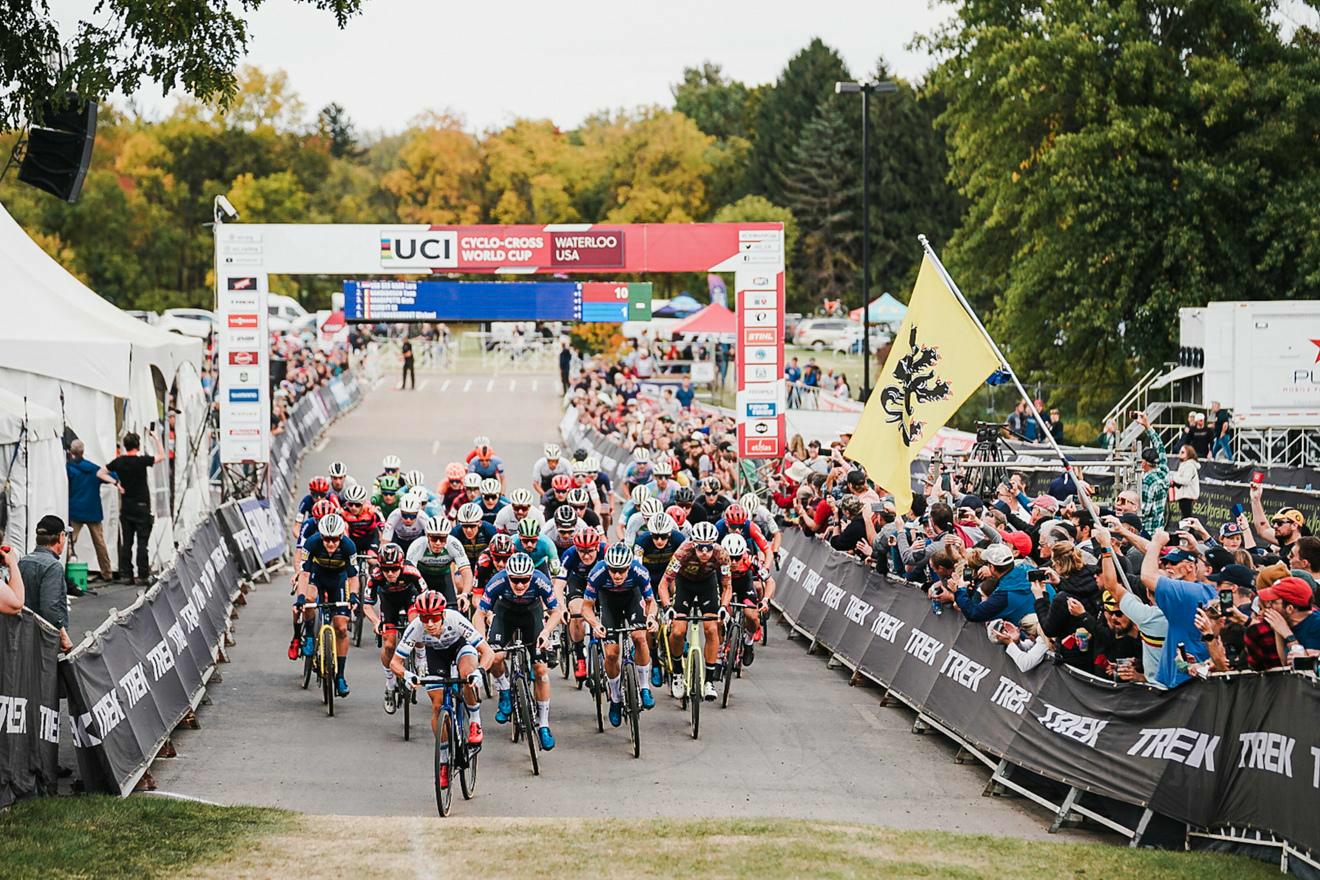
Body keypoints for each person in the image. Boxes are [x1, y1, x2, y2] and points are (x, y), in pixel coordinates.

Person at [476, 552, 563, 750]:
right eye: (515, 580)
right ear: (508, 577)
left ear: (531, 577)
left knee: (541, 670)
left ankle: (543, 725)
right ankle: (504, 690)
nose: (520, 585)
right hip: (505, 614)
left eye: (524, 580)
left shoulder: (541, 581)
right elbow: (480, 613)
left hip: (531, 616)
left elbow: (556, 612)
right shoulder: (497, 581)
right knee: (495, 656)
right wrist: (482, 642)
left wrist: (546, 632)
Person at [392, 591, 494, 754]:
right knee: (438, 705)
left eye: (435, 618)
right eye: (425, 618)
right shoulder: (416, 627)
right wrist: (407, 675)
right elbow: (395, 662)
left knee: (467, 675)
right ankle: (444, 758)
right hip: (435, 655)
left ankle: (475, 721)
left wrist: (479, 672)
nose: (430, 624)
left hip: (460, 648)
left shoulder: (455, 618)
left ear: (443, 614)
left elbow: (488, 652)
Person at [581, 543, 658, 726]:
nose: (617, 575)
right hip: (608, 602)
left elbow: (650, 601)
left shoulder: (639, 571)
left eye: (621, 570)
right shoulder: (597, 573)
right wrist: (596, 624)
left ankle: (644, 687)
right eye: (613, 570)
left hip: (632, 597)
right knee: (611, 653)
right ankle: (615, 698)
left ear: (629, 567)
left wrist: (652, 618)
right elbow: (586, 607)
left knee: (639, 637)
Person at [657, 520, 732, 702]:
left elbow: (727, 585)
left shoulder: (722, 554)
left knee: (712, 629)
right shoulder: (683, 552)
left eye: (708, 548)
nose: (704, 553)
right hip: (685, 585)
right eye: (700, 548)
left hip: (707, 585)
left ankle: (708, 681)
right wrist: (668, 608)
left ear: (713, 545)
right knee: (678, 631)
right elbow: (663, 584)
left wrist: (723, 607)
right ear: (693, 544)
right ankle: (677, 673)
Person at [293, 513, 361, 698]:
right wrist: (301, 597)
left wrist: (353, 596)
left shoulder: (349, 546)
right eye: (327, 539)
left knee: (341, 627)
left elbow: (354, 577)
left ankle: (340, 676)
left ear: (340, 537)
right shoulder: (312, 543)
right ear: (321, 536)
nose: (330, 544)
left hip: (338, 579)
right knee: (308, 601)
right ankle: (309, 637)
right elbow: (305, 575)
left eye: (334, 540)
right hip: (317, 575)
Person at [1140, 531, 1215, 688]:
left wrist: (1157, 543)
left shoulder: (1187, 593)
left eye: (1173, 564)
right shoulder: (1211, 591)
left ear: (1190, 566)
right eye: (1165, 564)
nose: (1168, 568)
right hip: (1195, 673)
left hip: (1185, 684)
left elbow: (1147, 576)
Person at [108, 429, 165, 585]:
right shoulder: (141, 461)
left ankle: (126, 574)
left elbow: (101, 472)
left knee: (127, 542)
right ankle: (142, 575)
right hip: (142, 506)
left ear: (125, 446)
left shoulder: (118, 462)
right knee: (142, 543)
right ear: (138, 446)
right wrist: (156, 439)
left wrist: (116, 484)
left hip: (126, 507)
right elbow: (162, 456)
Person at [65, 439, 117, 582]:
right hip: (93, 511)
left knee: (69, 543)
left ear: (71, 452)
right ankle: (107, 572)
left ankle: (64, 570)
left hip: (75, 511)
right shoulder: (94, 469)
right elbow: (112, 477)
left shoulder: (69, 469)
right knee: (100, 543)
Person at [18, 516, 72, 650]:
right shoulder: (53, 567)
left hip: (22, 633)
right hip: (45, 638)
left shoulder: (23, 561)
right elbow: (49, 607)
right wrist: (62, 635)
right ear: (60, 537)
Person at [1133, 413, 1169, 536]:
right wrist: (1147, 426)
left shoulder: (1148, 480)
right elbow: (1161, 448)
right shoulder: (1163, 472)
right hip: (1159, 529)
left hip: (1147, 531)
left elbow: (1145, 510)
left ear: (1143, 463)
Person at [1169, 444, 1201, 519]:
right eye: (1180, 451)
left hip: (1187, 495)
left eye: (1183, 452)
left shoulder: (1189, 465)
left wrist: (1174, 477)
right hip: (1184, 495)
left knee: (1187, 517)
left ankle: (1190, 530)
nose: (1180, 453)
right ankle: (1189, 530)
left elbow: (1185, 481)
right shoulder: (1184, 464)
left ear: (1189, 454)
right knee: (1186, 516)